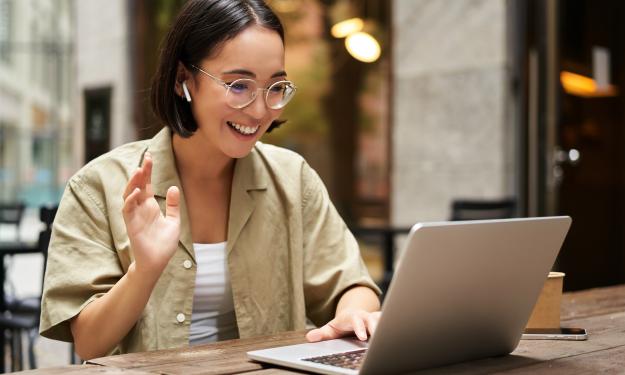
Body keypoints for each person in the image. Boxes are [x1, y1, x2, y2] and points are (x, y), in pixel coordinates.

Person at [40, 0, 381, 360]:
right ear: (182, 80)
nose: (260, 110)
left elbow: (352, 285)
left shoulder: (293, 178)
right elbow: (90, 343)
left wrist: (353, 315)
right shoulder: (97, 187)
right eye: (238, 85)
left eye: (275, 87)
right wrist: (145, 271)